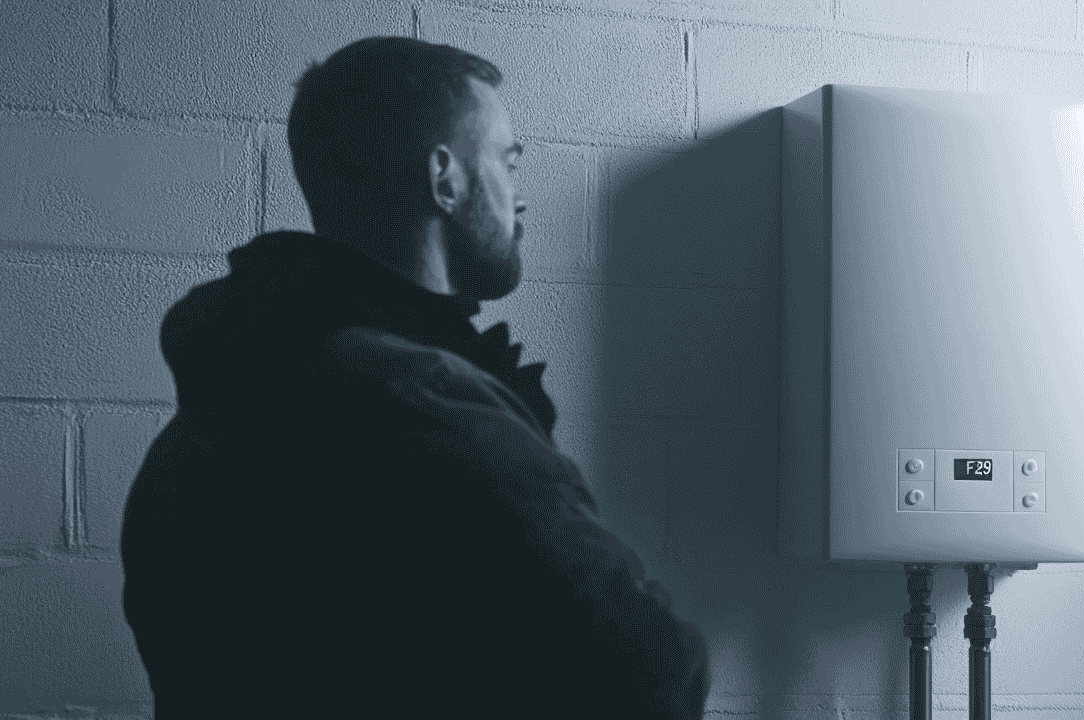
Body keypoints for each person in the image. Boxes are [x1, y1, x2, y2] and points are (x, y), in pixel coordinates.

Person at [120, 36, 710, 718]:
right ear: (445, 178)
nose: (519, 199)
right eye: (506, 162)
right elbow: (656, 673)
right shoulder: (423, 403)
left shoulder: (213, 408)